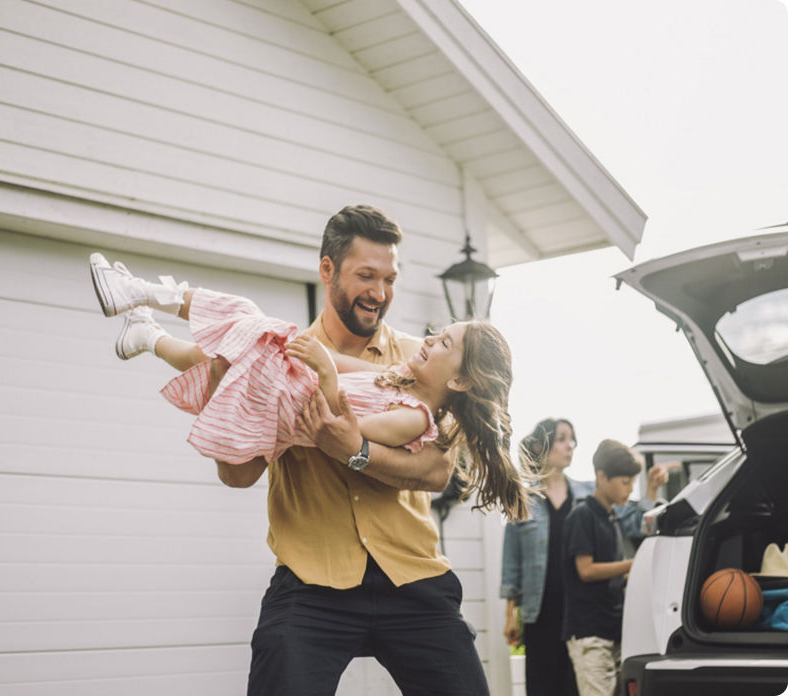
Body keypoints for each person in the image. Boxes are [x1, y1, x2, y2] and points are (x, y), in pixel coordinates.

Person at [96, 204, 525, 695]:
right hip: (312, 578)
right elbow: (237, 476)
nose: (379, 293)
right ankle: (148, 330)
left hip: (410, 574)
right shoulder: (290, 353)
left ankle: (149, 327)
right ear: (328, 270)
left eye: (389, 278)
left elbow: (433, 472)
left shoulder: (416, 359)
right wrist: (223, 394)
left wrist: (352, 449)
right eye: (366, 276)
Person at [87, 253, 520, 481]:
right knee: (223, 348)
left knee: (241, 314)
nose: (430, 338)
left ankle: (139, 294)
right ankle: (144, 334)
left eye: (444, 342)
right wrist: (308, 352)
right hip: (287, 385)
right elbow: (336, 362)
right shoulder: (398, 382)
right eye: (438, 332)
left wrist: (326, 375)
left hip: (285, 402)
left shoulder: (414, 419)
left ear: (460, 380)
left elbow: (344, 429)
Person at [500, 419, 667, 696]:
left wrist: (650, 491)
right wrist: (511, 615)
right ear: (542, 444)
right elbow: (512, 562)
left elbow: (630, 521)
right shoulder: (523, 499)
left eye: (573, 439)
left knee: (577, 686)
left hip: (581, 608)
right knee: (543, 686)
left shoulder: (588, 494)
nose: (570, 446)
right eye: (562, 438)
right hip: (541, 610)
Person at [562, 439, 644, 696]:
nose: (630, 489)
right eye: (624, 481)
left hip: (614, 630)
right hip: (589, 632)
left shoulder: (613, 517)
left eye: (632, 482)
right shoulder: (582, 515)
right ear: (601, 476)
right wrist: (632, 564)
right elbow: (585, 570)